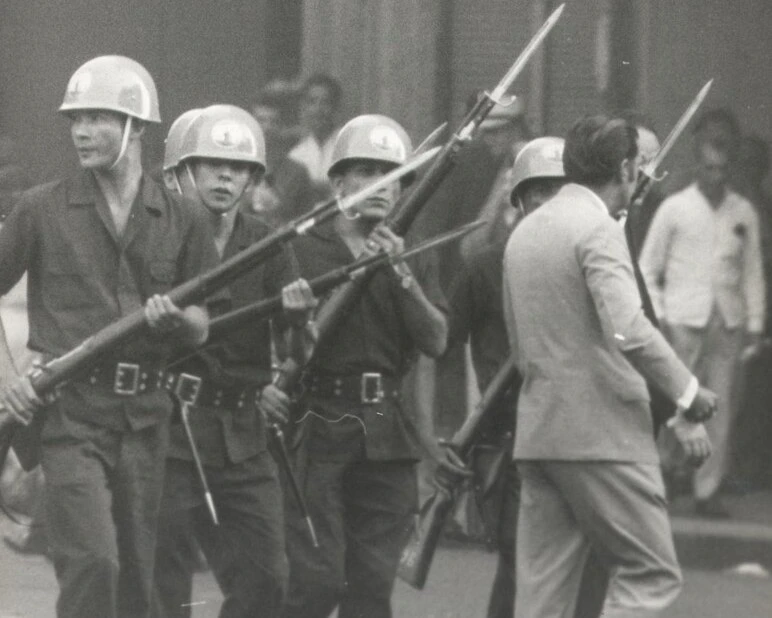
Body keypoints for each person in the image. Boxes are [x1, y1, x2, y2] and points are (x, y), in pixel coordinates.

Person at [0, 55, 219, 618]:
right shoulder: (41, 208)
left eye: (97, 117)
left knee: (138, 582)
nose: (81, 131)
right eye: (75, 119)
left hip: (146, 418)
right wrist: (6, 381)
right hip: (70, 415)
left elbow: (202, 326)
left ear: (136, 125)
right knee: (94, 562)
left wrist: (177, 319)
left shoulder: (184, 218)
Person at [503, 115, 717, 618]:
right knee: (651, 575)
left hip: (540, 434)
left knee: (542, 597)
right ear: (625, 168)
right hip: (603, 435)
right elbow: (629, 329)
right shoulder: (599, 229)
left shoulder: (524, 233)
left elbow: (519, 347)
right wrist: (688, 392)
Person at [280, 114, 456, 618]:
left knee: (373, 588)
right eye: (367, 172)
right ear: (338, 183)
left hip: (385, 428)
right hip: (319, 419)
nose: (382, 186)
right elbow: (285, 349)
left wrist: (400, 274)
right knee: (316, 582)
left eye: (392, 175)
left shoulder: (413, 252)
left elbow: (436, 340)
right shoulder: (300, 248)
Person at [150, 104, 317, 618]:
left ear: (252, 179)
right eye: (213, 165)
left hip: (244, 436)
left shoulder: (267, 243)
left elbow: (298, 353)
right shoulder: (155, 238)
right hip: (172, 430)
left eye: (239, 168)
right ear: (183, 171)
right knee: (165, 585)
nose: (226, 177)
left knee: (268, 579)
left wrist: (296, 322)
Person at [640, 132, 766, 517]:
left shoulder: (742, 210)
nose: (716, 176)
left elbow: (752, 271)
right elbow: (648, 268)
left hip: (726, 321)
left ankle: (706, 490)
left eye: (722, 169)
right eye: (709, 168)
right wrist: (659, 314)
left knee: (720, 408)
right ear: (698, 166)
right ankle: (664, 474)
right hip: (681, 319)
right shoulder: (675, 208)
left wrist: (756, 320)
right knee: (677, 401)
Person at [249, 87, 314, 225]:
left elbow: (307, 222)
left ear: (282, 127)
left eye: (274, 121)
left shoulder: (297, 173)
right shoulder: (236, 168)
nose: (267, 127)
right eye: (261, 120)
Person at [287, 73, 343, 204]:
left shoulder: (349, 147)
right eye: (312, 102)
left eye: (325, 102)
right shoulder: (296, 156)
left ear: (335, 107)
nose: (318, 110)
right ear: (304, 107)